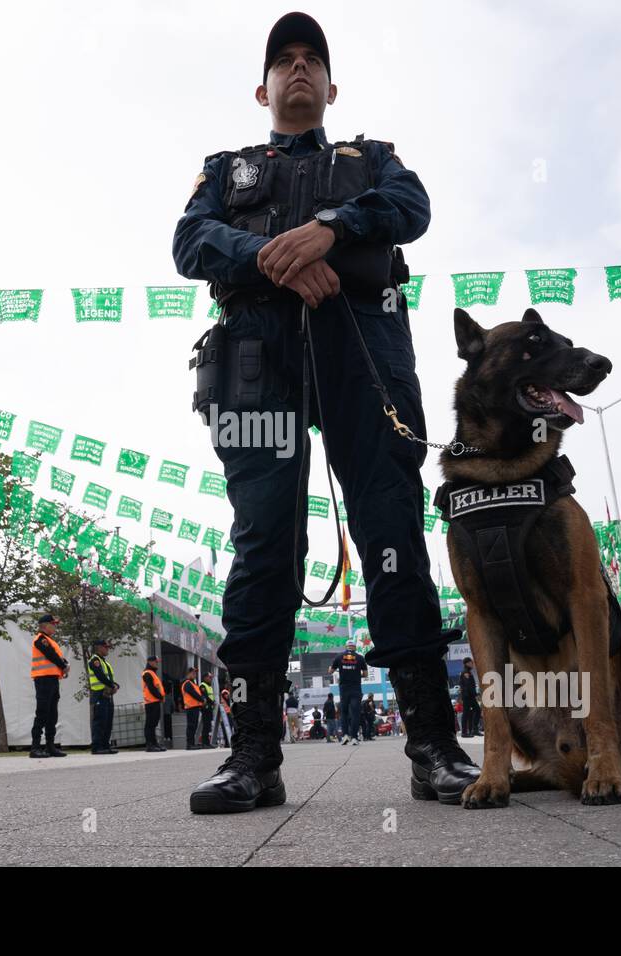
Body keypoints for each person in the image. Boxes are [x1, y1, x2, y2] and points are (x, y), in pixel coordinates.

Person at [175, 12, 479, 813]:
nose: (299, 69)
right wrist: (275, 260)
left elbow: (410, 209)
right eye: (285, 61)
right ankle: (252, 758)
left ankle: (434, 747)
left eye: (313, 59)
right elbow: (189, 242)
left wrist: (329, 230)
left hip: (363, 350)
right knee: (265, 543)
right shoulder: (226, 168)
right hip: (254, 361)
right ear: (263, 87)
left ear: (332, 86)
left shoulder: (372, 160)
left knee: (391, 532)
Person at [30, 614, 69, 758]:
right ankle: (35, 747)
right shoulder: (41, 639)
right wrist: (63, 665)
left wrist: (64, 664)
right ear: (44, 625)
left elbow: (57, 656)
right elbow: (51, 655)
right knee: (42, 712)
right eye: (53, 624)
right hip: (43, 679)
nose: (55, 626)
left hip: (52, 679)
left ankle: (50, 746)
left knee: (52, 714)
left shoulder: (50, 640)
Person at [330, 642, 367, 746]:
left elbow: (331, 671)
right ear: (354, 647)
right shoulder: (360, 658)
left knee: (344, 713)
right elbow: (365, 674)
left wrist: (333, 669)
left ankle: (345, 735)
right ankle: (354, 737)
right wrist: (356, 674)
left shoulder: (339, 657)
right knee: (355, 714)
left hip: (344, 689)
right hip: (356, 689)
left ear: (346, 647)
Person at [87, 637, 119, 755]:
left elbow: (108, 677)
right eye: (106, 647)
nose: (107, 649)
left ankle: (105, 745)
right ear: (99, 648)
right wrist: (112, 685)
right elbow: (100, 676)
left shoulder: (105, 662)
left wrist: (115, 685)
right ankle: (97, 747)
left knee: (107, 721)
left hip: (107, 694)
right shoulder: (94, 660)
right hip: (99, 694)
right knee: (99, 721)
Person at [142, 656, 167, 752]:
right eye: (156, 662)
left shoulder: (152, 673)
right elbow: (151, 688)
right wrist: (160, 697)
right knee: (150, 724)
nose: (157, 663)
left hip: (155, 701)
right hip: (151, 701)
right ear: (150, 662)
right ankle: (150, 744)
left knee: (153, 724)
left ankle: (154, 743)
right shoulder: (147, 673)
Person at [182, 666, 206, 750]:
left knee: (193, 726)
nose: (195, 674)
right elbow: (193, 694)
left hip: (194, 707)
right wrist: (202, 700)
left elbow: (197, 693)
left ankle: (192, 744)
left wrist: (201, 700)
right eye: (193, 672)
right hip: (191, 707)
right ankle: (189, 744)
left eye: (195, 673)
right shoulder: (187, 683)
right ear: (188, 673)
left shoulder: (192, 683)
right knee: (191, 726)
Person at [458, 657, 481, 738]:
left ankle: (474, 729)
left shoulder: (468, 672)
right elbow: (468, 685)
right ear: (467, 663)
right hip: (467, 696)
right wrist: (476, 695)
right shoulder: (465, 673)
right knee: (467, 713)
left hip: (469, 696)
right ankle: (464, 732)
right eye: (471, 662)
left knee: (475, 711)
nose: (473, 664)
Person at [199, 673, 218, 748]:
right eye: (209, 677)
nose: (211, 679)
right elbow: (205, 696)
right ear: (205, 677)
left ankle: (207, 743)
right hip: (205, 707)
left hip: (209, 707)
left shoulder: (209, 686)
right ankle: (204, 743)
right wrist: (212, 702)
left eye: (211, 677)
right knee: (206, 725)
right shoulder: (203, 685)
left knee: (208, 725)